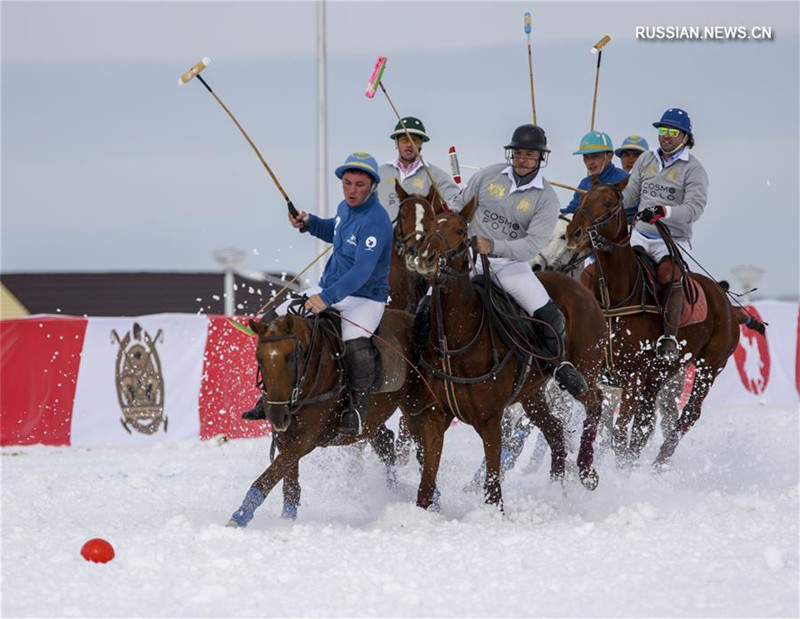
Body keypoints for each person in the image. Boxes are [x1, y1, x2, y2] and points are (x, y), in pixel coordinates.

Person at [240, 152, 393, 436]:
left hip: (365, 298)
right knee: (272, 321)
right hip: (330, 288)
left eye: (359, 184)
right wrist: (309, 223)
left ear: (372, 186)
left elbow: (361, 271)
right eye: (347, 183)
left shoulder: (376, 221)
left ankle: (358, 410)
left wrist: (327, 298)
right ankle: (269, 397)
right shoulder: (346, 208)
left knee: (354, 341)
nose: (352, 190)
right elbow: (333, 230)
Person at [449, 124, 587, 397]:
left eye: (530, 154)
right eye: (519, 152)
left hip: (509, 267)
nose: (523, 159)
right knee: (427, 302)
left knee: (551, 316)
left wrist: (494, 245)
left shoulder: (546, 198)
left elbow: (532, 246)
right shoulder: (488, 175)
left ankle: (558, 366)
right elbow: (460, 204)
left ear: (540, 158)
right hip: (468, 259)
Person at [621, 108, 709, 361]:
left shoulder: (694, 169)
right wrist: (606, 199)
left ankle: (668, 336)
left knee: (668, 276)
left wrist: (664, 211)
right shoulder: (646, 160)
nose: (666, 136)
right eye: (662, 131)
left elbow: (694, 209)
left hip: (672, 240)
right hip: (639, 235)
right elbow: (630, 196)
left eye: (672, 132)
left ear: (686, 137)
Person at [561, 131, 629, 290]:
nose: (589, 162)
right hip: (592, 252)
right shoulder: (585, 183)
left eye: (595, 156)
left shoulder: (624, 179)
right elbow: (572, 210)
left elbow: (632, 214)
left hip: (620, 250)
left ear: (610, 156)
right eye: (586, 157)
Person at [378, 116, 461, 218]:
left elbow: (456, 200)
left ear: (421, 144)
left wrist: (449, 210)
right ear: (396, 142)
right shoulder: (379, 173)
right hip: (381, 233)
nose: (409, 144)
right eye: (405, 139)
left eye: (415, 140)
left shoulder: (437, 176)